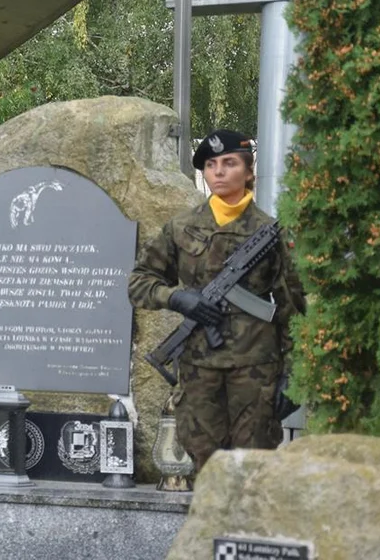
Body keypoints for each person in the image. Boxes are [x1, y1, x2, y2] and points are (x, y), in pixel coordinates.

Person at [127, 129, 306, 473]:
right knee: (205, 465)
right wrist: (178, 298)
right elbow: (139, 283)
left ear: (248, 171)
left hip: (255, 371)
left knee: (253, 467)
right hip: (198, 370)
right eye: (211, 165)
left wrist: (293, 375)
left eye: (229, 163)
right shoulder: (180, 228)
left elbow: (292, 309)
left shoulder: (270, 232)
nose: (219, 172)